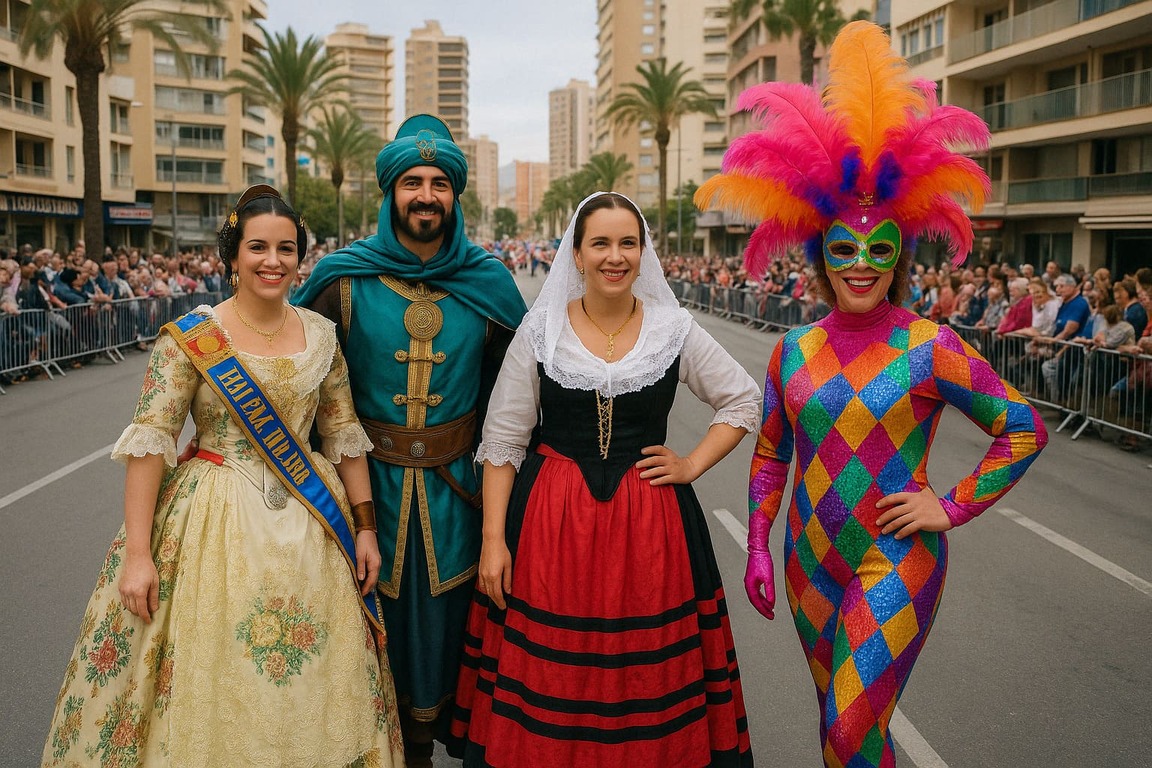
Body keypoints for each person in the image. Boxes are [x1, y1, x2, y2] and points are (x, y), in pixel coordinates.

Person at [695, 22, 1049, 768]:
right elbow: (769, 455)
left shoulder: (931, 346)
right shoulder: (794, 349)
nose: (861, 264)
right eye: (843, 249)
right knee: (848, 736)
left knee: (850, 731)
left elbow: (1022, 428)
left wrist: (947, 506)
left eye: (879, 249)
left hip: (897, 557)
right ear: (819, 255)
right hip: (808, 560)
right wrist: (757, 545)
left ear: (902, 256)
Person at [41, 185, 405, 768]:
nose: (273, 261)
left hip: (314, 530)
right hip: (213, 521)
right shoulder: (192, 336)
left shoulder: (321, 335)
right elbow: (150, 446)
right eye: (257, 246)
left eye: (287, 249)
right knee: (214, 671)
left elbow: (344, 438)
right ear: (231, 256)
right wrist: (139, 554)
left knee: (315, 679)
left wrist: (364, 527)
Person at [449, 192, 758, 766]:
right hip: (551, 525)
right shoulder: (541, 330)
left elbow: (741, 397)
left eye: (627, 243)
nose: (614, 257)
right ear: (578, 253)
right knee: (552, 670)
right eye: (601, 243)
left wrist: (690, 464)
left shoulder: (674, 328)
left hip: (651, 527)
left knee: (643, 669)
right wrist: (494, 541)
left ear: (642, 254)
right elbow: (503, 440)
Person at [291, 114, 527, 768]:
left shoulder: (491, 284)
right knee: (369, 639)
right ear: (390, 192)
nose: (426, 195)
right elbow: (294, 385)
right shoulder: (342, 281)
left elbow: (525, 399)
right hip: (362, 497)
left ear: (456, 195)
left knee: (460, 641)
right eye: (412, 182)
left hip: (463, 498)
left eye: (439, 184)